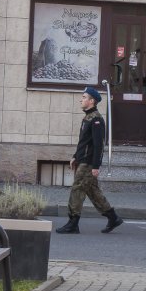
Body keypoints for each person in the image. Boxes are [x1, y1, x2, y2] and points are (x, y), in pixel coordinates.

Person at [56, 87, 124, 234]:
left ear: (92, 101)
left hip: (88, 163)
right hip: (82, 160)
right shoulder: (88, 117)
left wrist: (96, 165)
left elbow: (98, 145)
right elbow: (84, 142)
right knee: (93, 192)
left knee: (77, 190)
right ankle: (113, 217)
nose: (81, 99)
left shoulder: (96, 119)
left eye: (84, 97)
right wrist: (75, 156)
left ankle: (73, 223)